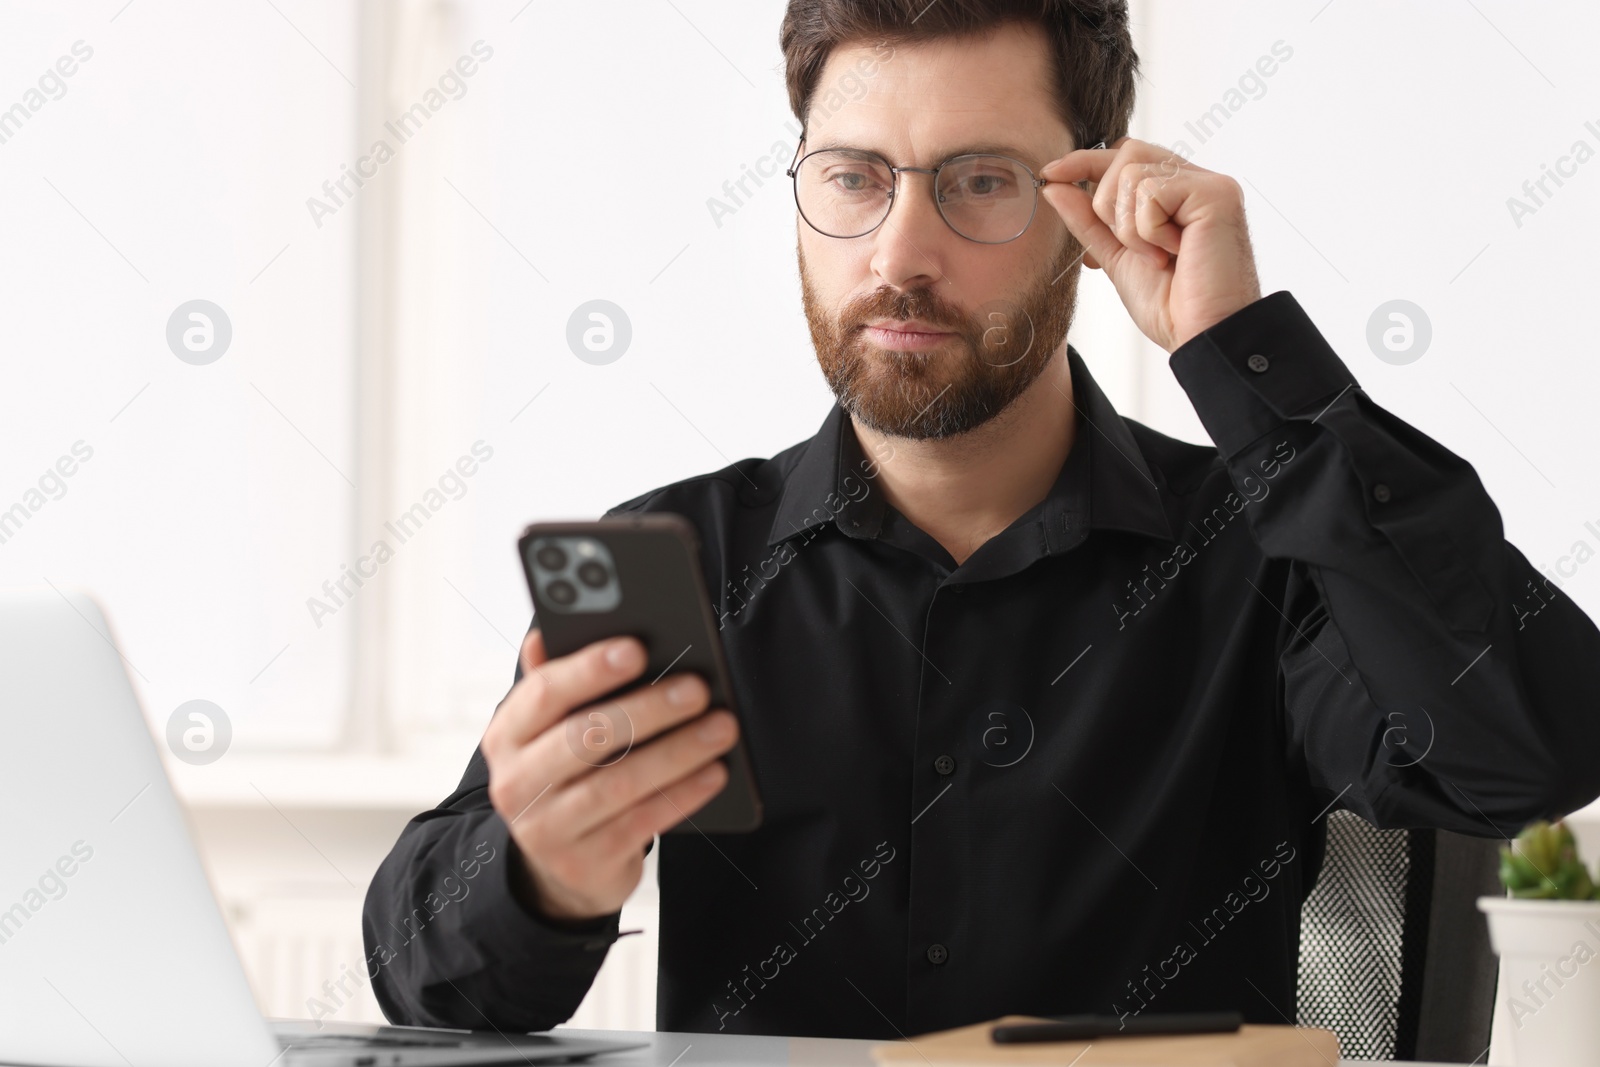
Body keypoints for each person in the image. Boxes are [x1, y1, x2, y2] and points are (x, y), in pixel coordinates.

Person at [362, 0, 1600, 1040]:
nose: (902, 252)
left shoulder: (1257, 561)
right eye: (852, 177)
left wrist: (1241, 359)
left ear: (1093, 200)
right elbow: (422, 979)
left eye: (980, 183)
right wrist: (536, 875)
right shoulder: (683, 561)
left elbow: (1528, 747)